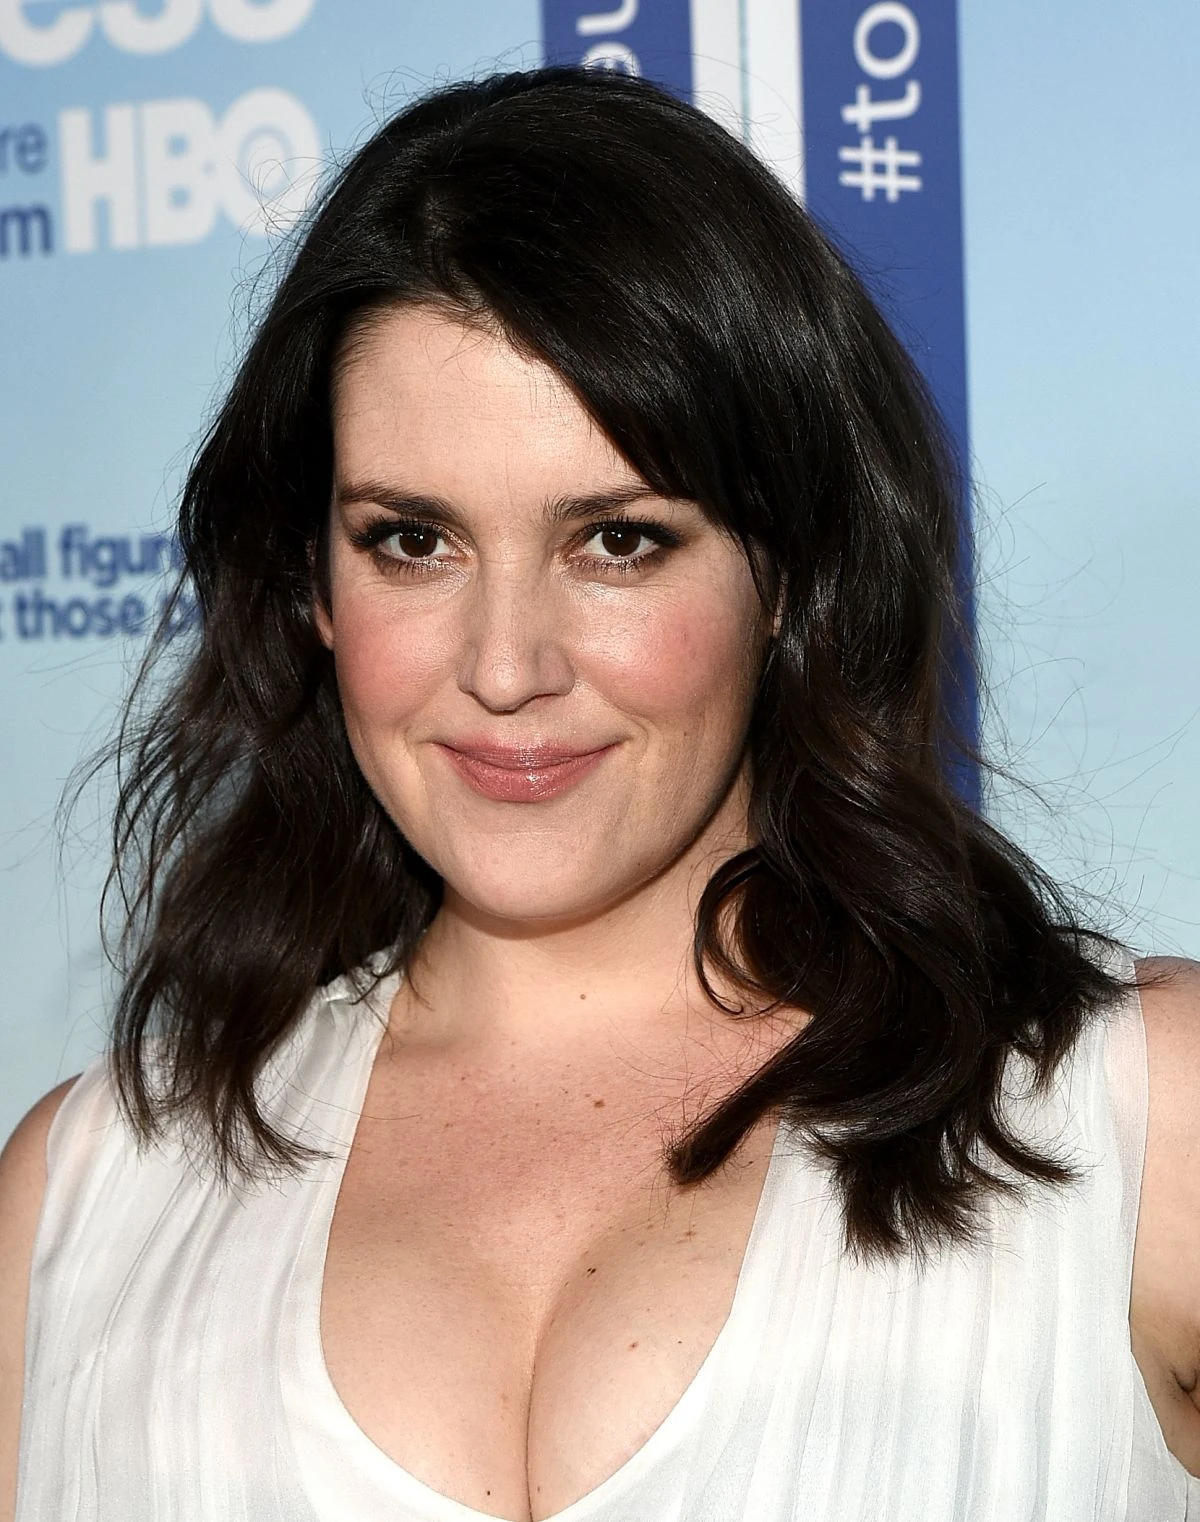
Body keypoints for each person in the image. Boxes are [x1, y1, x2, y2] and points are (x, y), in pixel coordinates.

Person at [1, 64, 1198, 1522]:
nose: (505, 666)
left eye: (617, 542)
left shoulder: (1139, 1121)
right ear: (311, 580)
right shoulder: (84, 1200)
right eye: (412, 541)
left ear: (791, 578)